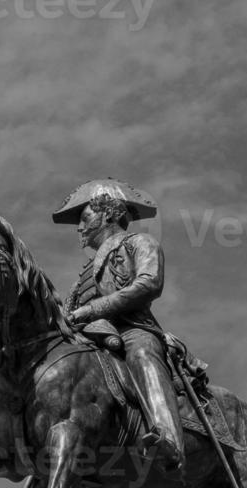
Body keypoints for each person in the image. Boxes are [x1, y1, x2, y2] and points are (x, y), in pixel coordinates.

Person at [55, 179, 185, 472]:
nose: (80, 226)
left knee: (142, 354)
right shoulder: (83, 275)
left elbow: (149, 283)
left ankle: (169, 438)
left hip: (133, 329)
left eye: (85, 217)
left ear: (109, 213)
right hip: (93, 337)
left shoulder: (139, 243)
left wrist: (92, 309)